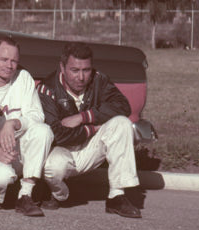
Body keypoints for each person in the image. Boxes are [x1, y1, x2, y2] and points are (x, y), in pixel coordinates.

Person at [37, 42, 142, 218]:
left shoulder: (99, 80)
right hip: (61, 150)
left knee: (122, 123)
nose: (81, 77)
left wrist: (83, 117)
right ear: (62, 67)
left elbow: (123, 106)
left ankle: (117, 195)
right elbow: (57, 134)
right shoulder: (47, 88)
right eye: (74, 70)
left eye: (86, 70)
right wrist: (94, 128)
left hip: (89, 147)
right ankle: (56, 193)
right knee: (53, 168)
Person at [0, 36, 52, 217]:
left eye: (14, 61)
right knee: (0, 179)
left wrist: (13, 123)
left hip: (21, 149)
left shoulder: (23, 77)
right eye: (4, 59)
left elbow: (37, 116)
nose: (10, 65)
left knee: (43, 131)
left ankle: (25, 194)